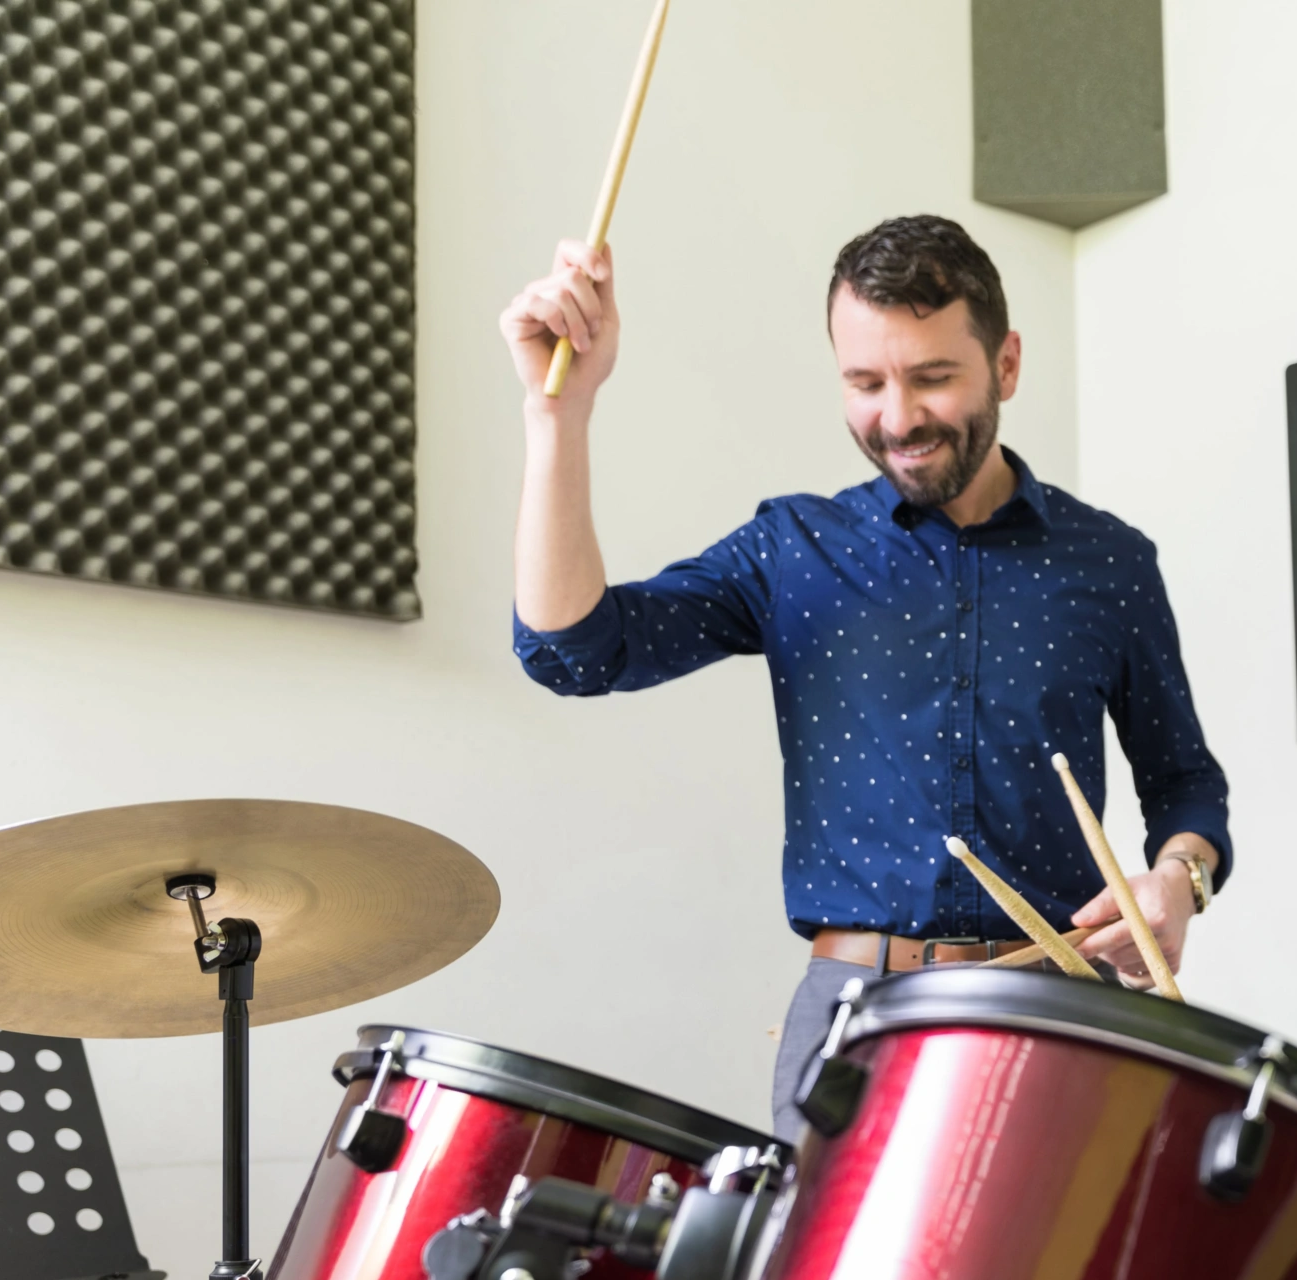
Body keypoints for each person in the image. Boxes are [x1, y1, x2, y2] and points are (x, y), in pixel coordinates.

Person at [498, 215, 1230, 1140]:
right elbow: (574, 649)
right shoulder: (792, 550)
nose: (897, 417)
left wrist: (1179, 881)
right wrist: (557, 414)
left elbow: (1185, 784)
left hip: (1058, 1008)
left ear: (1005, 364)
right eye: (864, 382)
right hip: (853, 1014)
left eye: (932, 377)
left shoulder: (1111, 564)